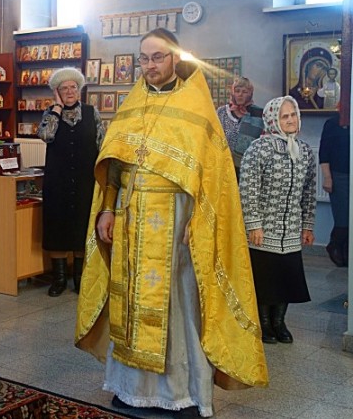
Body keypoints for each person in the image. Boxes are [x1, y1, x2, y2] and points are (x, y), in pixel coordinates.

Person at [76, 29, 268, 417]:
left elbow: (212, 177)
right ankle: (131, 389)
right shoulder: (131, 104)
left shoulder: (196, 105)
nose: (150, 65)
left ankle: (181, 393)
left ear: (175, 58)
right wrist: (108, 208)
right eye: (144, 58)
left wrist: (198, 219)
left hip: (177, 218)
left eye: (158, 57)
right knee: (130, 299)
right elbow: (113, 165)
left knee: (179, 303)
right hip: (131, 216)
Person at [240, 96, 316, 344]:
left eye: (293, 115)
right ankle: (264, 323)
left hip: (291, 229)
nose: (291, 120)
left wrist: (307, 225)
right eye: (285, 116)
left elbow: (309, 191)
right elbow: (248, 189)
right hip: (264, 230)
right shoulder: (259, 149)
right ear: (273, 120)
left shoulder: (305, 151)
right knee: (266, 279)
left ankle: (279, 322)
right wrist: (254, 224)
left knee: (286, 278)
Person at [38, 67, 105, 297]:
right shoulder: (50, 114)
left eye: (73, 87)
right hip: (58, 182)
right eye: (64, 88)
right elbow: (46, 136)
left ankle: (79, 278)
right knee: (57, 228)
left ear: (79, 90)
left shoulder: (91, 112)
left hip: (85, 180)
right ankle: (58, 279)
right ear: (57, 92)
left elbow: (102, 143)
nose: (69, 92)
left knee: (81, 227)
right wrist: (57, 109)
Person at [215, 77, 264, 175]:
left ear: (250, 94)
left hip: (250, 169)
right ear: (233, 92)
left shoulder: (259, 114)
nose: (240, 94)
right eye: (237, 91)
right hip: (224, 168)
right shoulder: (222, 112)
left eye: (244, 92)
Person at [319, 112, 349, 267]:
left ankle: (347, 252)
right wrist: (327, 177)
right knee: (342, 217)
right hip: (339, 176)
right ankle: (335, 245)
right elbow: (324, 153)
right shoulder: (332, 123)